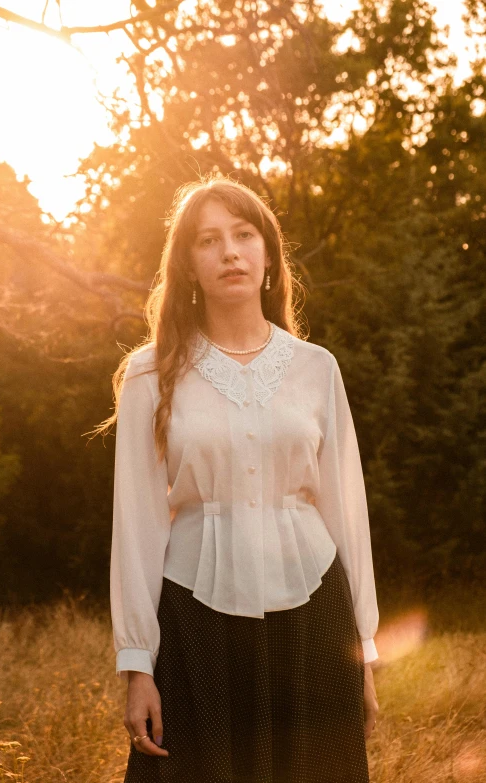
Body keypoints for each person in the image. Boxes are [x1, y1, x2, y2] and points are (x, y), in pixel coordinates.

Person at [103, 175, 380, 782]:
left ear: (269, 256)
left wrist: (365, 652)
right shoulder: (150, 375)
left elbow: (347, 512)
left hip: (316, 620)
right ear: (189, 267)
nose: (230, 251)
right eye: (209, 240)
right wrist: (137, 665)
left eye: (244, 234)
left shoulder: (317, 369)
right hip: (193, 621)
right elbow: (139, 527)